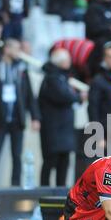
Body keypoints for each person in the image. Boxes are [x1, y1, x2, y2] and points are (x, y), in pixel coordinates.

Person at [0, 39, 41, 186]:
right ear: (7, 49)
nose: (18, 52)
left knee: (17, 156)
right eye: (16, 48)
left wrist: (35, 117)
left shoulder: (21, 68)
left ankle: (15, 186)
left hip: (16, 118)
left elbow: (29, 95)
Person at [38, 48, 85, 187]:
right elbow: (63, 96)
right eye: (67, 60)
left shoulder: (62, 77)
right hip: (53, 128)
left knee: (63, 162)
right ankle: (44, 190)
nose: (70, 62)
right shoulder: (52, 78)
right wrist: (78, 97)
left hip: (63, 129)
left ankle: (61, 191)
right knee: (51, 161)